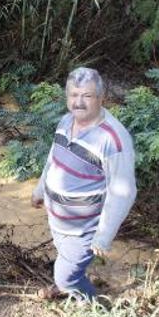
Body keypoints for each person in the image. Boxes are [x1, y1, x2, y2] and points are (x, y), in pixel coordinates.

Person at [32, 67, 137, 301]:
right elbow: (54, 158)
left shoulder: (113, 139)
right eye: (73, 95)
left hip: (84, 229)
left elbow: (123, 192)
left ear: (101, 98)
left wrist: (103, 235)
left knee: (65, 277)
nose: (78, 102)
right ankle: (72, 285)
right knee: (66, 263)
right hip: (58, 220)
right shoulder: (66, 121)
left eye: (87, 96)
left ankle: (95, 308)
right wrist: (40, 190)